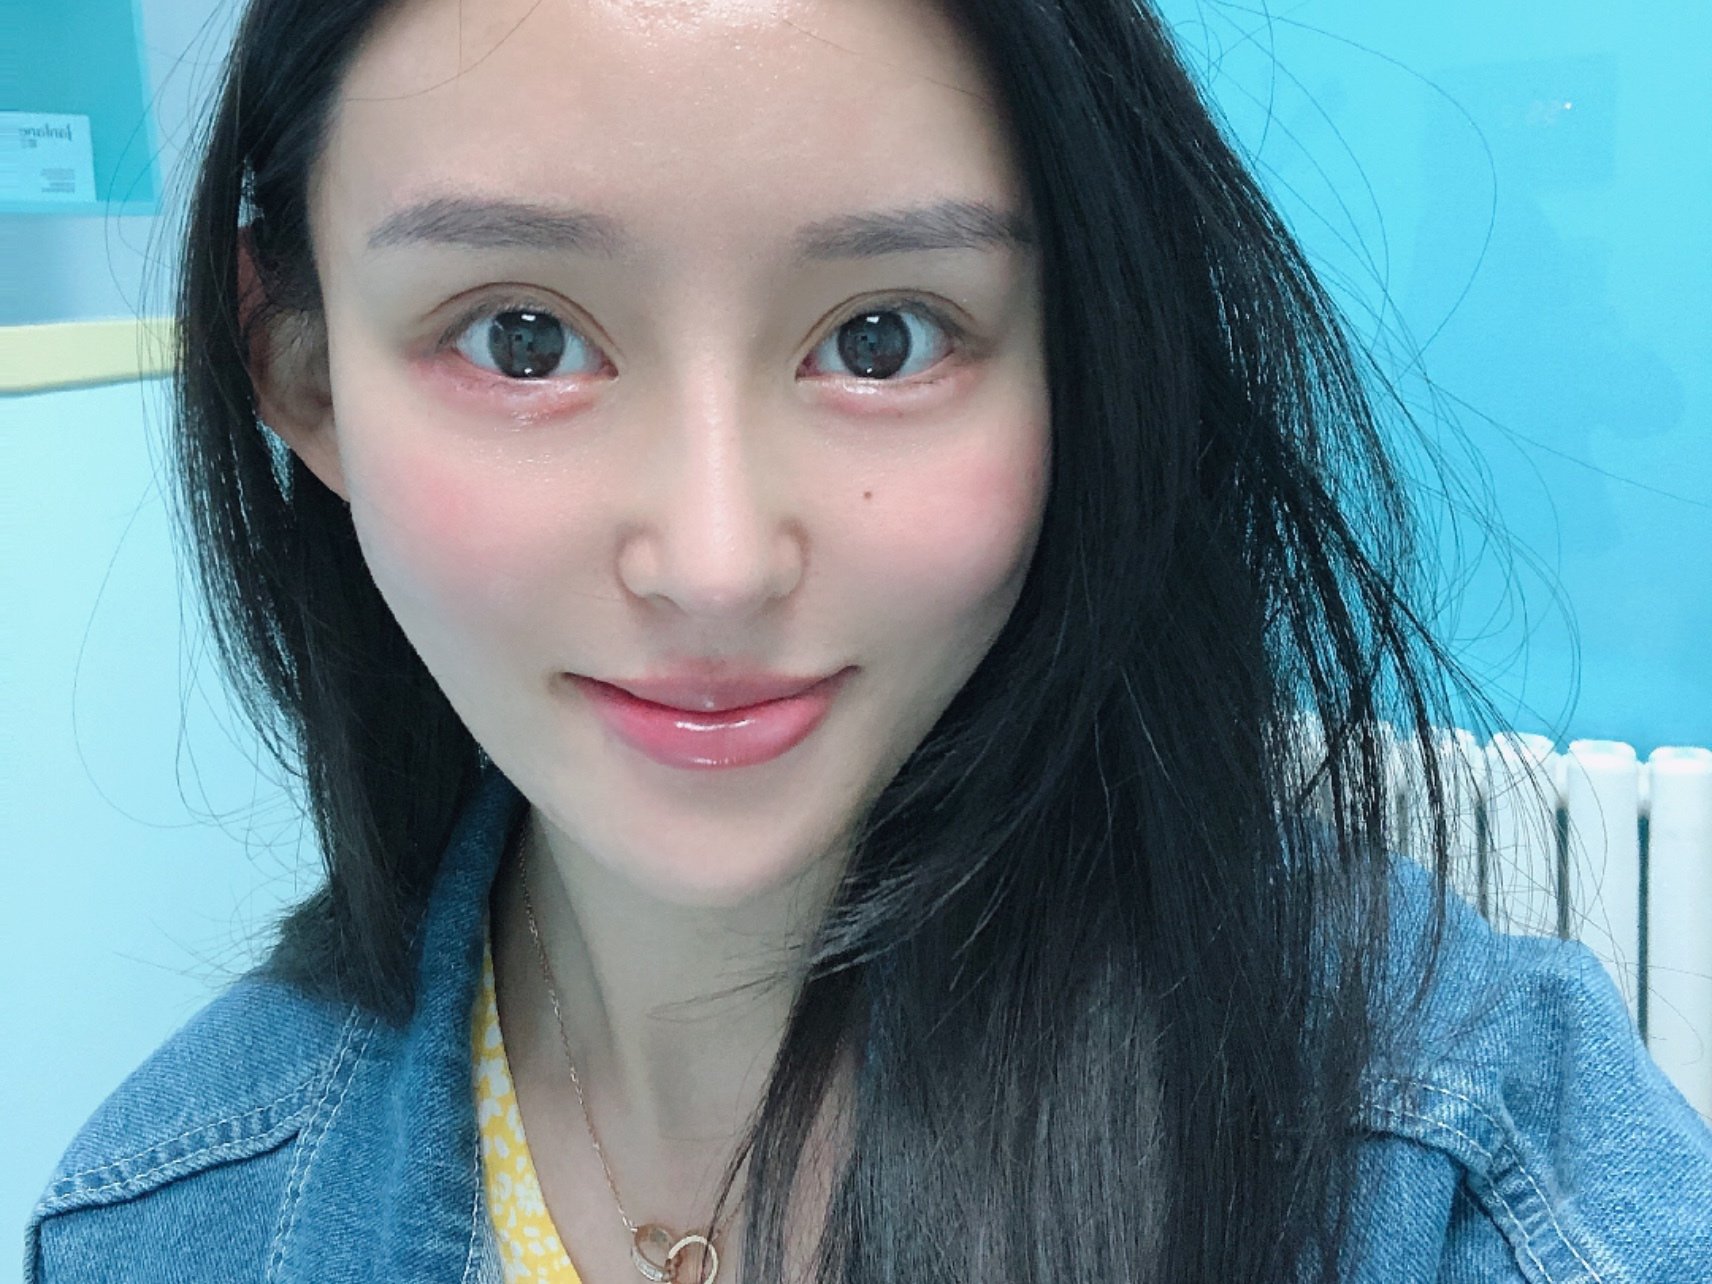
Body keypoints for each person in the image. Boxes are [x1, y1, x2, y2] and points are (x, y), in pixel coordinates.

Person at [25, 0, 1712, 1280]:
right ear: (302, 367)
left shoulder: (1451, 1164)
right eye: (524, 339)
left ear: (1082, 363)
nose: (714, 562)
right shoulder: (167, 1219)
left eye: (884, 338)